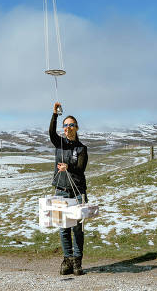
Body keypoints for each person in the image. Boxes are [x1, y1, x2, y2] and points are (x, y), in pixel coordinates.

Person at [49, 101, 88, 276]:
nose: (68, 128)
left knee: (77, 228)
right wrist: (55, 114)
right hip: (60, 191)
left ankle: (78, 263)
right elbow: (51, 132)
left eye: (71, 125)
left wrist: (68, 167)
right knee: (63, 227)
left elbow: (80, 168)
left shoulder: (82, 148)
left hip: (77, 192)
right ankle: (67, 261)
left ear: (76, 128)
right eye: (65, 126)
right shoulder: (59, 143)